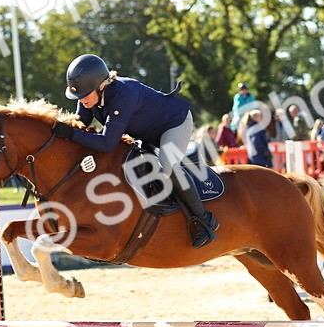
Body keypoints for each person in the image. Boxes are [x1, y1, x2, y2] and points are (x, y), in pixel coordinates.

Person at [50, 54, 219, 248]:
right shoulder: (88, 96)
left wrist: (69, 135)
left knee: (167, 166)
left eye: (84, 95)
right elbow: (80, 124)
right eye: (78, 97)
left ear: (101, 85)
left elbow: (106, 143)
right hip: (146, 132)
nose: (82, 100)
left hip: (174, 124)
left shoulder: (123, 95)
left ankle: (205, 221)